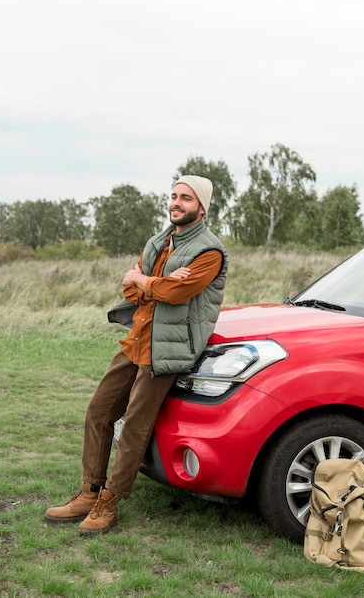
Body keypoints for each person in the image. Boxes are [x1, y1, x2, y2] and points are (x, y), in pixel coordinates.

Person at [44, 175, 228, 535]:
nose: (176, 203)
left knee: (134, 428)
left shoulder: (210, 252)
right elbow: (130, 290)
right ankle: (88, 491)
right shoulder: (159, 241)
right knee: (99, 411)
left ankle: (108, 504)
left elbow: (175, 293)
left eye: (186, 198)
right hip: (138, 339)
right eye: (174, 196)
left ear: (201, 208)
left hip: (168, 350)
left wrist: (146, 281)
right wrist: (150, 284)